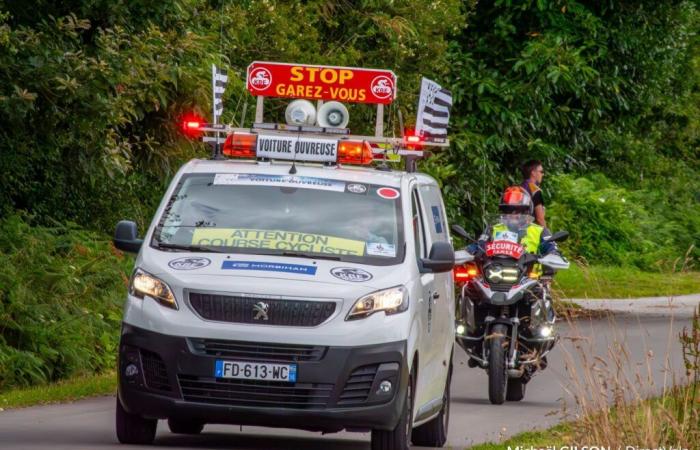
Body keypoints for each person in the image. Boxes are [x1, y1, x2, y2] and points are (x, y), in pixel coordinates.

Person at [469, 186, 558, 257]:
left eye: (519, 210)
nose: (513, 214)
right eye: (508, 210)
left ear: (527, 211)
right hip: (495, 274)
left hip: (531, 277)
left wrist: (554, 254)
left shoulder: (540, 231)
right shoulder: (493, 229)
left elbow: (551, 248)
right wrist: (469, 250)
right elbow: (479, 245)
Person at [520, 159, 546, 227]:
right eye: (541, 172)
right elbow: (540, 219)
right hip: (528, 231)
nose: (543, 174)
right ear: (533, 173)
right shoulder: (534, 190)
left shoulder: (519, 188)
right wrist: (548, 235)